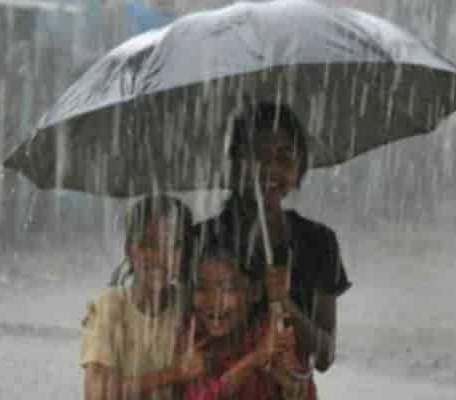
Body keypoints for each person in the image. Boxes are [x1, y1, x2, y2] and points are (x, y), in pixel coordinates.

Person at [194, 102, 352, 377]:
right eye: (257, 156)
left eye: (284, 156)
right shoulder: (202, 240)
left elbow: (324, 356)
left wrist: (286, 305)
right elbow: (189, 344)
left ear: (299, 167)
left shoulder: (319, 242)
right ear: (235, 165)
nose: (270, 168)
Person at [81, 195, 199, 400]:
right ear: (129, 251)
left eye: (173, 245)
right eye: (148, 244)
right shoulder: (110, 306)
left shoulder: (186, 304)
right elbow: (97, 393)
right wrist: (175, 373)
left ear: (184, 254)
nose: (160, 257)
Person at [183, 242, 316, 400]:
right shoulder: (192, 334)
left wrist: (290, 384)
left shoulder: (272, 332)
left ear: (254, 292)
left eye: (227, 289)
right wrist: (255, 358)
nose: (213, 302)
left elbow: (302, 391)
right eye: (201, 288)